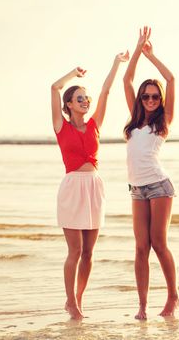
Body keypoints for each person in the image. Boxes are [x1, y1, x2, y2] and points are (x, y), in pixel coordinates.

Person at [51, 51, 129, 320]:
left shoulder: (95, 125)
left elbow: (106, 91)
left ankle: (79, 299)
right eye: (79, 98)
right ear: (69, 105)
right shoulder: (61, 126)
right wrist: (74, 73)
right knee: (74, 250)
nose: (85, 101)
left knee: (89, 252)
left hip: (94, 186)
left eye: (87, 98)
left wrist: (116, 63)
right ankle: (70, 301)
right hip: (73, 187)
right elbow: (55, 87)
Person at [123, 26, 179, 320]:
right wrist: (136, 47)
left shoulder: (164, 122)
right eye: (145, 96)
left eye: (155, 97)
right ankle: (142, 305)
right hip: (137, 189)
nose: (150, 100)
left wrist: (152, 56)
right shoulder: (133, 124)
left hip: (159, 187)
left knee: (159, 244)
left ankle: (173, 296)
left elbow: (170, 79)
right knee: (140, 247)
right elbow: (127, 79)